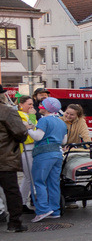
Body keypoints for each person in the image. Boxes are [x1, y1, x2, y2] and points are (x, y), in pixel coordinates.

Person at [28, 97, 66, 222]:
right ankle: (55, 210)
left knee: (39, 182)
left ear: (45, 108)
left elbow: (38, 136)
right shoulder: (61, 122)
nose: (39, 106)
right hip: (57, 154)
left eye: (41, 105)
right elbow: (64, 141)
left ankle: (43, 210)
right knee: (53, 183)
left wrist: (28, 129)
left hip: (44, 154)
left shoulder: (44, 121)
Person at [0, 97, 28, 232]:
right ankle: (14, 223)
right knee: (11, 192)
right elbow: (20, 132)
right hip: (5, 158)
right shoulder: (6, 111)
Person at [16, 95, 36, 212]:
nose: (31, 107)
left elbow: (34, 127)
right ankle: (22, 203)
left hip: (32, 148)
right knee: (29, 177)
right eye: (29, 104)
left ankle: (23, 201)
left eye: (32, 104)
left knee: (29, 177)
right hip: (26, 148)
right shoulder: (19, 115)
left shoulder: (28, 115)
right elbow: (30, 129)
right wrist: (32, 117)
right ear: (21, 105)